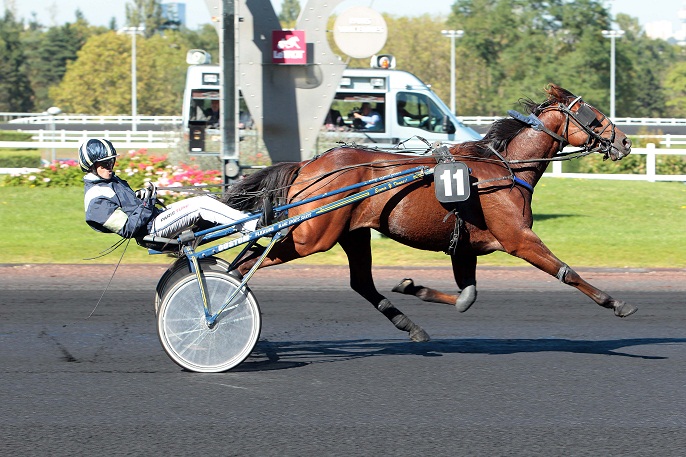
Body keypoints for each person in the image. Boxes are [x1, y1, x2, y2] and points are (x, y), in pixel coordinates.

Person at [80, 138, 256, 240]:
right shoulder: (96, 200)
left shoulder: (107, 181)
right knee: (202, 205)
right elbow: (128, 229)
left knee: (208, 198)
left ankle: (249, 217)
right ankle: (254, 226)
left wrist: (140, 196)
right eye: (104, 163)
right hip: (152, 230)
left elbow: (130, 207)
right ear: (91, 166)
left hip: (154, 219)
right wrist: (146, 203)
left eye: (111, 161)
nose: (110, 166)